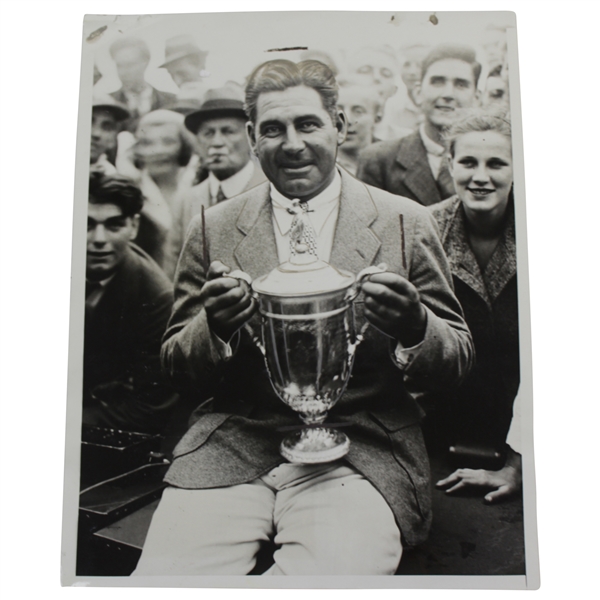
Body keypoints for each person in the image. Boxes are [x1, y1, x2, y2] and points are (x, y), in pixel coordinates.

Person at [133, 59, 474, 576]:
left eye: (308, 124)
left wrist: (415, 326)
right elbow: (176, 364)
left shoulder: (405, 221)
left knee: (326, 581)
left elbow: (457, 359)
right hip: (233, 447)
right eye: (273, 129)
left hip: (361, 452)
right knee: (166, 580)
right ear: (252, 137)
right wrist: (215, 327)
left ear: (339, 125)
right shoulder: (215, 226)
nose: (291, 144)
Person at [425, 112, 521, 503]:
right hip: (438, 444)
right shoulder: (425, 230)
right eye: (468, 162)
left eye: (496, 163)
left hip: (524, 447)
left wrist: (521, 466)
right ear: (450, 164)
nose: (480, 177)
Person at [84, 172, 177, 433]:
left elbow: (150, 406)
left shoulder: (156, 298)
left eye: (114, 225)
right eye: (86, 224)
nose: (99, 239)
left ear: (134, 226)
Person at [357, 43, 481, 206]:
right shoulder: (379, 160)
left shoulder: (494, 161)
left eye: (461, 84)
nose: (448, 94)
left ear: (477, 98)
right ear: (418, 93)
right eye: (437, 82)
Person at [118, 109, 198, 280]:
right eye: (146, 143)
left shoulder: (198, 184)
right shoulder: (128, 192)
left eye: (168, 142)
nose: (157, 151)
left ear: (184, 145)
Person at [178, 85, 266, 232]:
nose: (217, 142)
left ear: (251, 137)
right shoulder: (186, 200)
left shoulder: (272, 191)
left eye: (228, 132)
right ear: (198, 142)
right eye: (208, 133)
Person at [109, 37, 176, 132]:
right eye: (119, 66)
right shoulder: (108, 102)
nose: (123, 72)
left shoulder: (171, 101)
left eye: (130, 65)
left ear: (145, 63)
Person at [336, 83, 382, 176]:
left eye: (358, 111)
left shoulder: (390, 162)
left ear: (377, 117)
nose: (347, 120)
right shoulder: (319, 164)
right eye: (338, 111)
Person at [159, 35, 210, 115]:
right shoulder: (169, 109)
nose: (177, 81)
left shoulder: (223, 99)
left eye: (182, 73)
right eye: (172, 75)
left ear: (200, 64)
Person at [90, 94, 130, 175]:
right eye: (89, 122)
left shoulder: (111, 180)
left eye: (107, 127)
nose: (96, 133)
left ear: (112, 140)